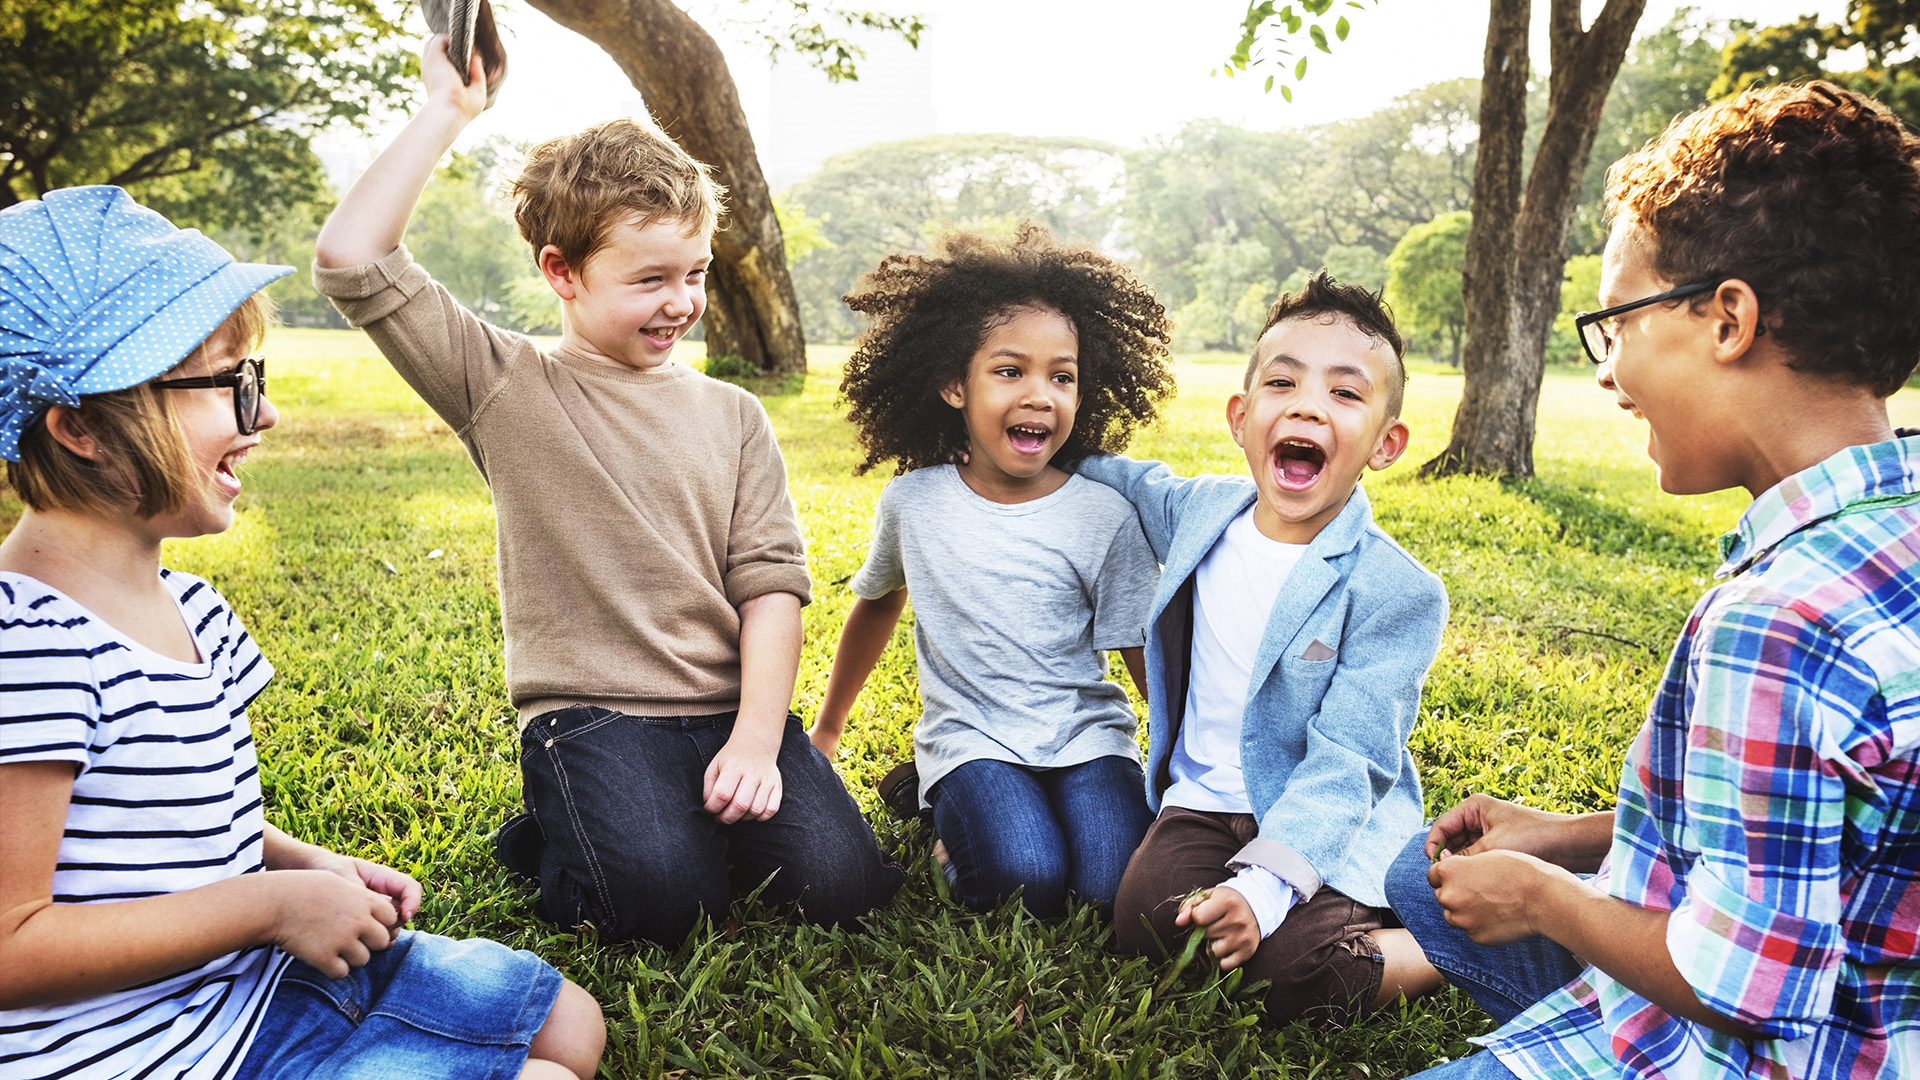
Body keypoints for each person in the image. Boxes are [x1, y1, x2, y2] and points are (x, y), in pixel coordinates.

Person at [0, 185, 605, 1080]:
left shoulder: (194, 607)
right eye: (231, 385)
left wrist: (311, 868)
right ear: (82, 427)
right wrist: (268, 907)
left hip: (245, 982)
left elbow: (192, 827)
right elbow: (15, 947)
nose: (266, 416)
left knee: (574, 1028)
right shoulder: (30, 646)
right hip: (139, 1049)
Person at [1383, 81, 1920, 1080]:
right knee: (1414, 882)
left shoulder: (1783, 620)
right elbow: (1837, 820)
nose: (1604, 370)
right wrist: (1574, 839)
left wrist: (1546, 899)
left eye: (1616, 320)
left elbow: (1743, 991)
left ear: (1727, 319)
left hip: (1759, 1052)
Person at [311, 37, 900, 947]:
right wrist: (449, 112)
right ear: (561, 272)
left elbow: (771, 590)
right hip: (593, 716)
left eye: (696, 273)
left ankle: (673, 820)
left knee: (844, 888)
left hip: (727, 707)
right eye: (651, 279)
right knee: (660, 910)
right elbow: (352, 260)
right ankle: (560, 828)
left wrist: (754, 741)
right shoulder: (504, 384)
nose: (682, 301)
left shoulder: (736, 414)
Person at [1073, 272, 1448, 1026]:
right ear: (1242, 418)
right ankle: (1262, 910)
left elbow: (1350, 758)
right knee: (1146, 923)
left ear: (1386, 444)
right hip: (1205, 807)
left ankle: (1434, 941)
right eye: (1283, 383)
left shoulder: (1396, 590)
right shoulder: (1201, 511)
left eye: (1346, 394)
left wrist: (1264, 888)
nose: (1308, 404)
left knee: (1286, 972)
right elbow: (1122, 478)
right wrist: (1039, 441)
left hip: (1326, 817)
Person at [810, 226, 1174, 918]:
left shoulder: (1104, 514)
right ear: (954, 385)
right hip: (972, 738)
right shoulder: (914, 503)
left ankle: (952, 804)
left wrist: (1187, 766)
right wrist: (828, 731)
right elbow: (877, 604)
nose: (1040, 394)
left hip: (1088, 738)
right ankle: (946, 818)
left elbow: (1139, 646)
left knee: (1107, 892)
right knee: (1022, 881)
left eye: (1061, 376)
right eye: (1010, 371)